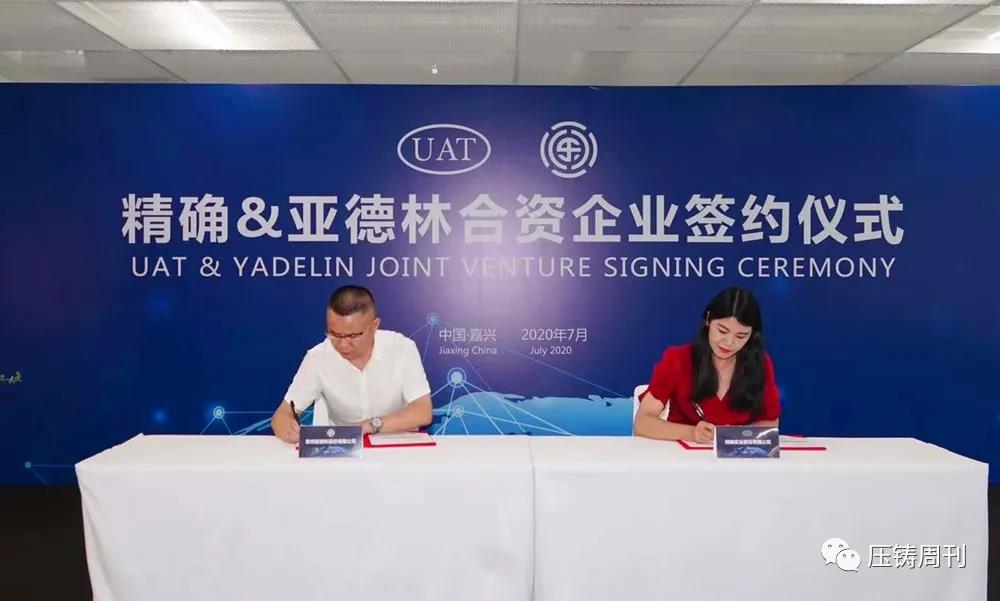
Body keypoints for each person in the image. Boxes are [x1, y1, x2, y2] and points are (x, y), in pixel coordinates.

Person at [270, 285, 433, 443]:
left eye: (353, 336)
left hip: (398, 444)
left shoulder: (402, 348)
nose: (343, 345)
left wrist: (366, 427)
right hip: (342, 448)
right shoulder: (318, 358)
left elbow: (423, 411)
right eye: (335, 334)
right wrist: (286, 426)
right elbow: (283, 413)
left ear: (374, 326)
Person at [633, 286, 781, 443]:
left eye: (741, 336)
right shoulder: (678, 359)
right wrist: (692, 433)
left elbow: (770, 423)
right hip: (682, 454)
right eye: (722, 331)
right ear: (708, 320)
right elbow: (643, 423)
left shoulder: (760, 363)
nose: (729, 342)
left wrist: (737, 435)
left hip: (735, 455)